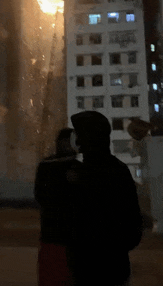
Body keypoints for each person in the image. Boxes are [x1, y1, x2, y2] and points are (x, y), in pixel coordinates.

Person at [65, 111, 143, 286]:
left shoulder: (80, 175)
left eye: (80, 135)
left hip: (86, 268)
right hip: (114, 267)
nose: (77, 141)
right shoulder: (119, 171)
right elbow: (133, 226)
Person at [34, 128, 77, 286]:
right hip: (61, 236)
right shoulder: (75, 166)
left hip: (57, 235)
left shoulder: (47, 165)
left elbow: (40, 196)